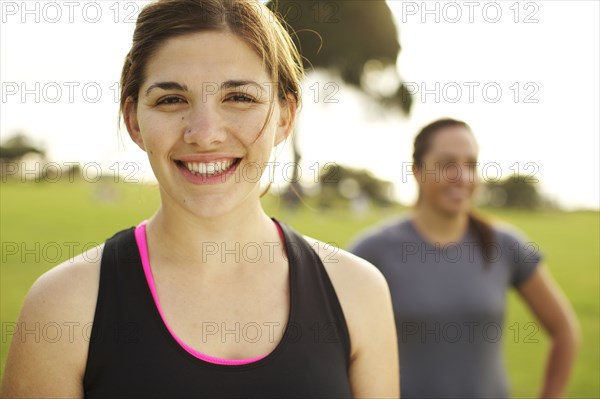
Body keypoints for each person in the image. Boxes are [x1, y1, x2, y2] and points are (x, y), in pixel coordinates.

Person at [0, 1, 399, 397]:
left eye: (239, 97)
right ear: (134, 121)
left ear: (284, 116)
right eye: (171, 99)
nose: (205, 133)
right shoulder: (62, 308)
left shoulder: (358, 292)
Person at [349, 118, 580, 398]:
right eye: (448, 164)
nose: (463, 176)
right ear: (418, 171)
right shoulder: (373, 251)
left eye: (471, 164)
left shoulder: (505, 245)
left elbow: (565, 330)